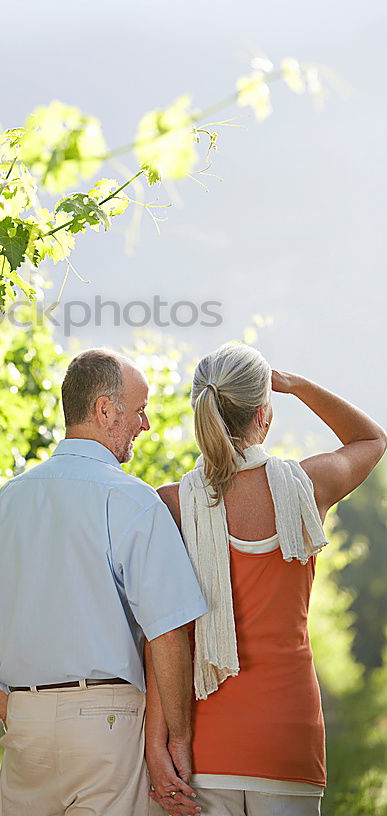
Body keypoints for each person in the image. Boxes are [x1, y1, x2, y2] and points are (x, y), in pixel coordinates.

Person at [0, 347, 207, 816]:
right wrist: (179, 737)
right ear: (105, 410)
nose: (145, 424)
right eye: (140, 410)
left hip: (27, 726)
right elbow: (167, 633)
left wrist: (12, 711)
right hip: (107, 727)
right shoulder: (135, 502)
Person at [146, 342, 387, 816]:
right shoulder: (306, 487)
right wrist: (296, 385)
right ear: (264, 413)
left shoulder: (173, 504)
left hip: (203, 740)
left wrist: (160, 742)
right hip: (288, 737)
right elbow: (372, 440)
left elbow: (164, 634)